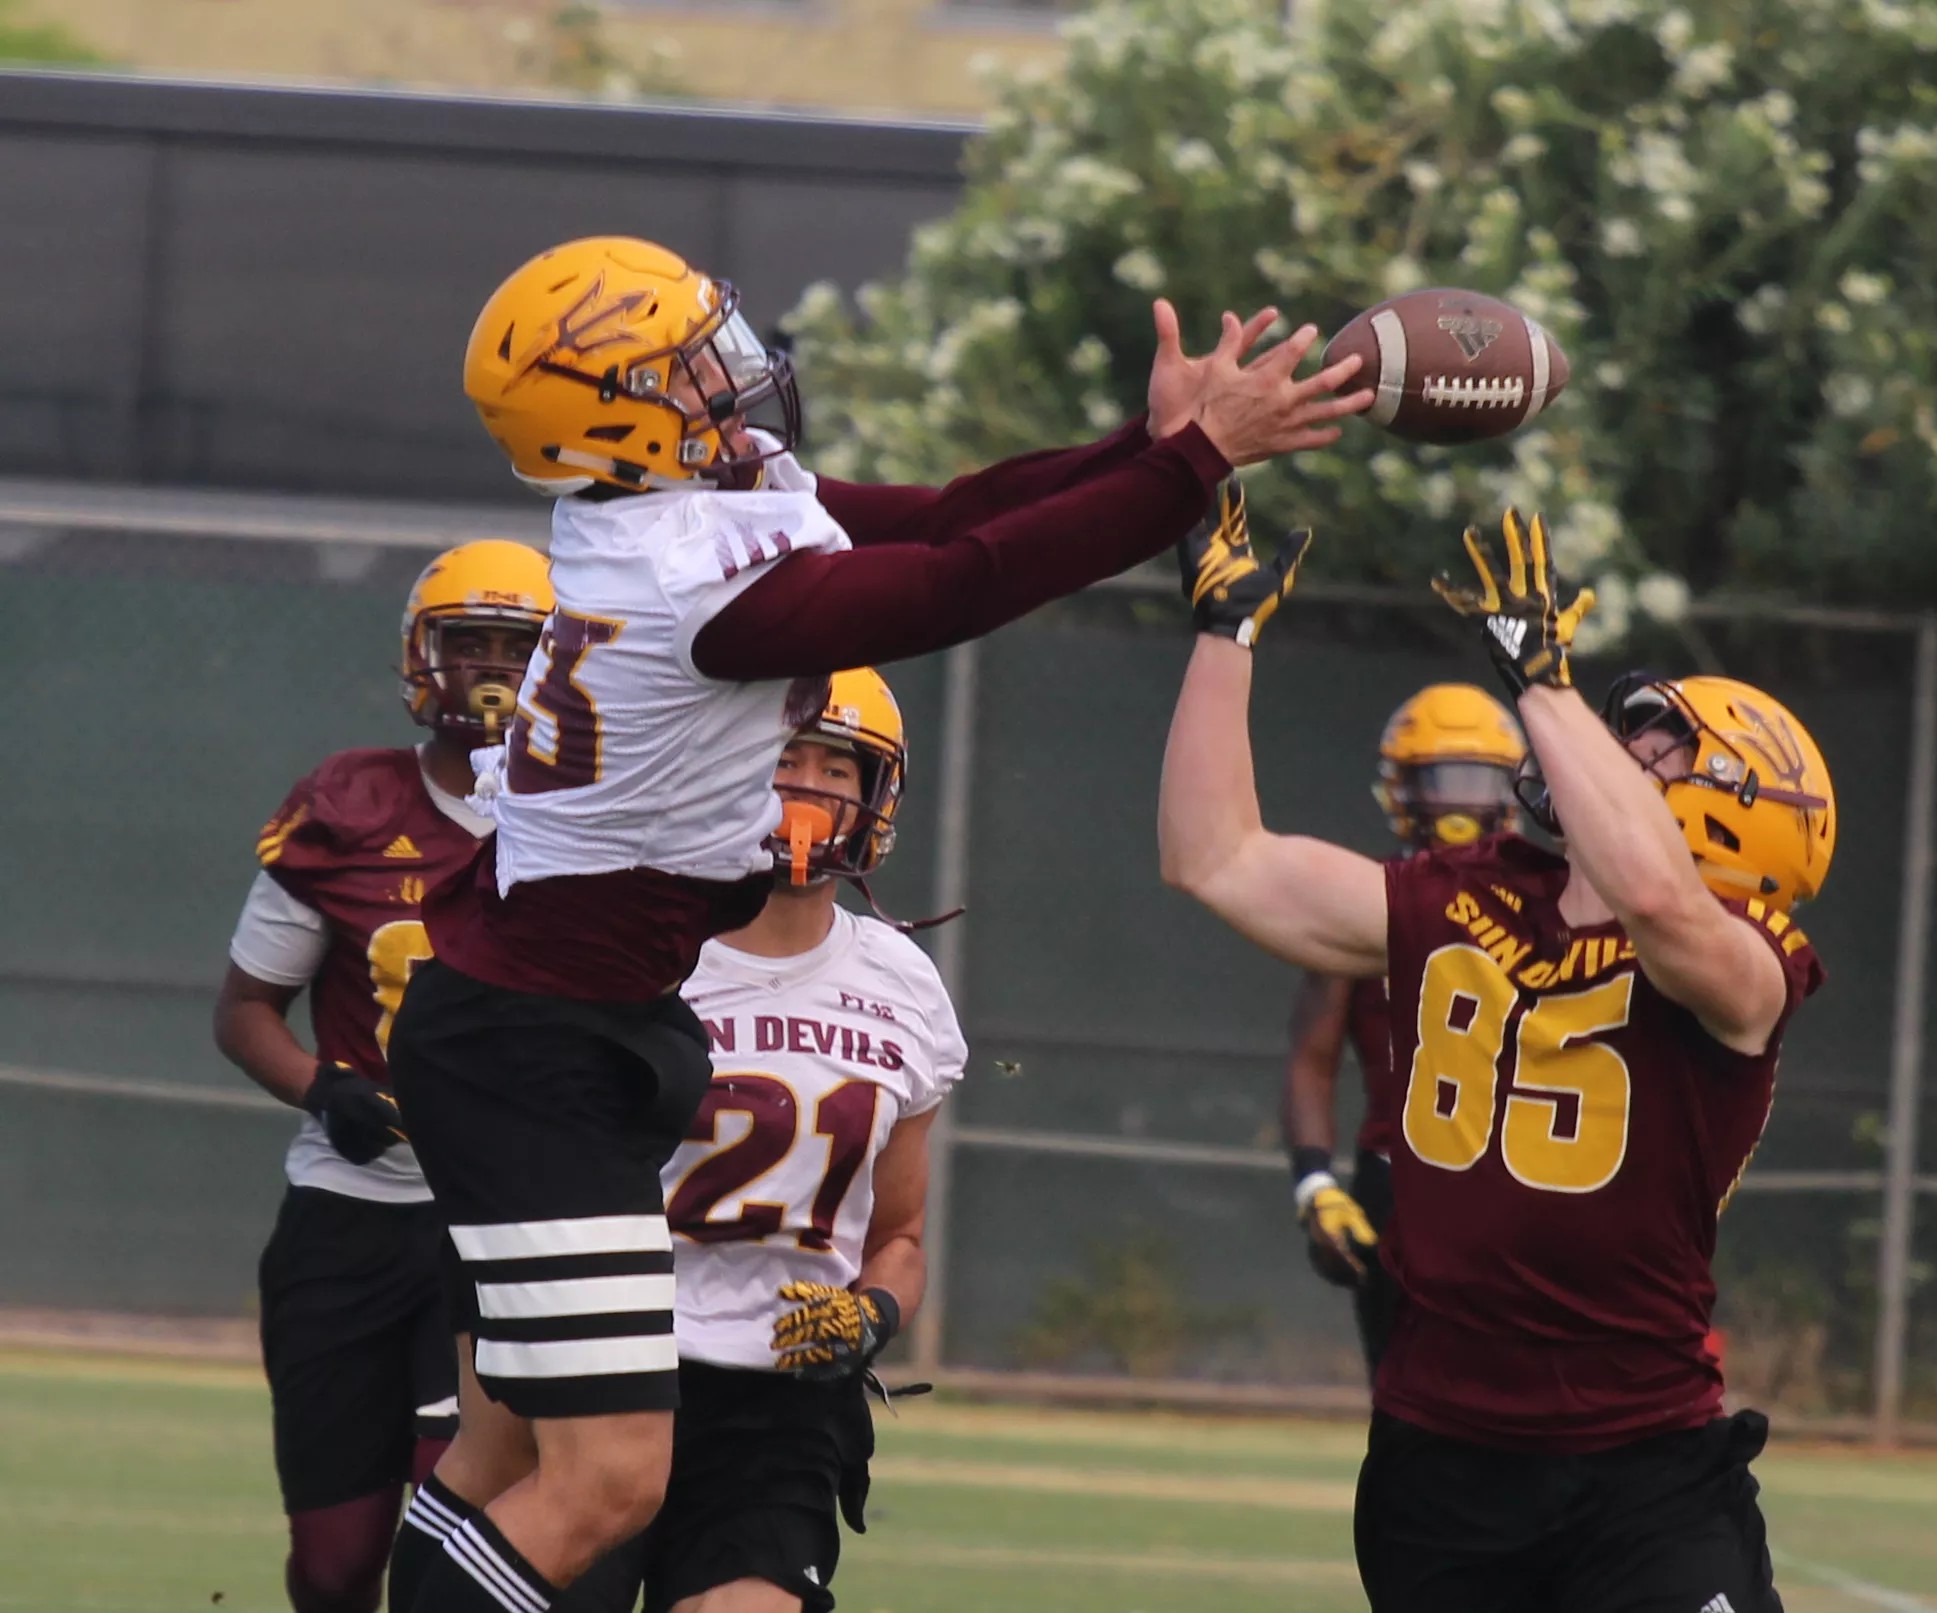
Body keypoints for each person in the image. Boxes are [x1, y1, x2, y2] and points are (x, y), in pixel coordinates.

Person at [384, 235, 1370, 1613]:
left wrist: (1141, 445)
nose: (734, 377)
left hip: (580, 1031)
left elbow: (954, 511)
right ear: (612, 412)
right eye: (690, 365)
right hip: (530, 1052)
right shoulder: (689, 583)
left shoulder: (677, 511)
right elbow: (960, 584)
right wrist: (1189, 466)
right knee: (607, 1480)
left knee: (504, 1463)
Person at [1158, 495, 1834, 1612]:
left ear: (1725, 820)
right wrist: (1222, 638)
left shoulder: (1748, 962)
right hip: (1440, 1460)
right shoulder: (1457, 895)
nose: (1607, 752)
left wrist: (1546, 684)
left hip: (1643, 1460)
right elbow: (1212, 857)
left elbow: (1660, 906)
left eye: (1651, 749)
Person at [553, 668, 957, 1613]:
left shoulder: (903, 983)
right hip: (609, 1360)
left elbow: (898, 1236)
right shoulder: (634, 947)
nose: (809, 788)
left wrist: (874, 1318)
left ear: (875, 795)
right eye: (783, 758)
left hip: (780, 1393)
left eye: (835, 767)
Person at [214, 540, 551, 1613]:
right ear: (423, 654)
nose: (491, 666)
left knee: (448, 1537)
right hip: (349, 1215)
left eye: (517, 644)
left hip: (501, 1225)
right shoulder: (351, 803)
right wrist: (324, 1089)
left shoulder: (591, 815)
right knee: (332, 1561)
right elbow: (244, 1010)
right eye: (470, 643)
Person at [1282, 683, 1524, 1375]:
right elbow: (1312, 1057)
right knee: (1407, 1402)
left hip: (1526, 1184)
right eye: (1438, 780)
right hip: (1401, 1181)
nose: (1456, 802)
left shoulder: (1552, 899)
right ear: (1399, 788)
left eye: (1476, 780)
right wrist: (1314, 1184)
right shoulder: (1369, 900)